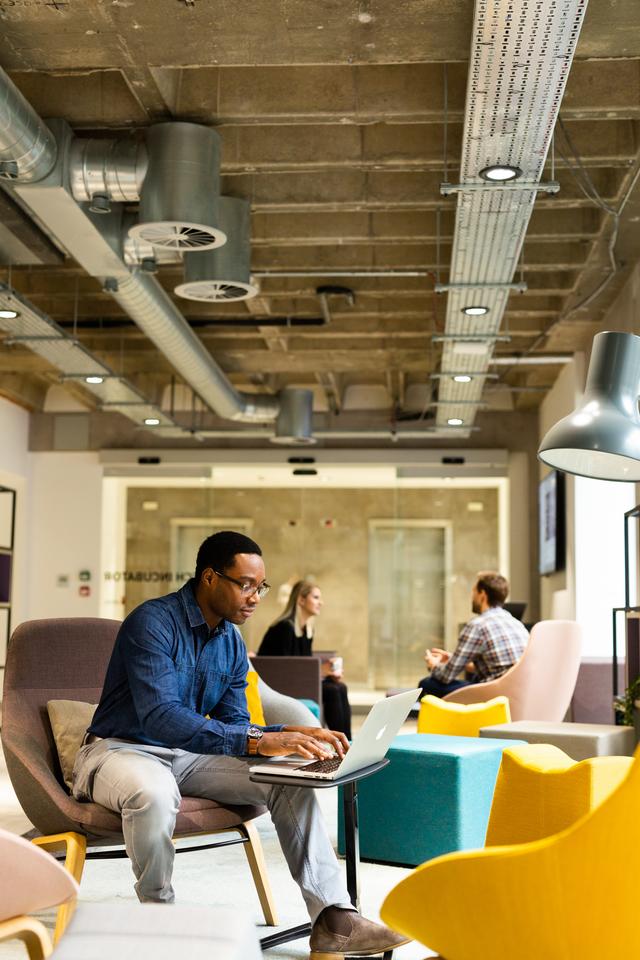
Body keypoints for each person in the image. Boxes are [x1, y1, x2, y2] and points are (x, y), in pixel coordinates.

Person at [72, 531, 406, 959]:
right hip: (122, 749)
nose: (255, 597)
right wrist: (259, 739)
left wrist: (293, 734)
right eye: (246, 584)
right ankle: (158, 917)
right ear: (210, 578)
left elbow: (234, 724)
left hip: (189, 757)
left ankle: (333, 921)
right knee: (152, 792)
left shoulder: (230, 641)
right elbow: (162, 716)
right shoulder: (152, 623)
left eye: (260, 587)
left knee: (290, 777)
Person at [258, 580, 352, 738]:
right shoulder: (284, 628)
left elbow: (301, 666)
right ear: (301, 600)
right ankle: (341, 742)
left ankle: (347, 740)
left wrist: (326, 673)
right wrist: (320, 671)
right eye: (316, 597)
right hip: (276, 686)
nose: (321, 603)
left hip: (296, 683)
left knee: (339, 686)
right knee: (332, 691)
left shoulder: (306, 630)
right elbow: (284, 670)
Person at [417, 571, 528, 699]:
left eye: (474, 591)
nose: (472, 597)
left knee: (426, 684)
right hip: (517, 693)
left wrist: (434, 665)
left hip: (493, 695)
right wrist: (452, 659)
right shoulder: (516, 623)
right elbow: (497, 668)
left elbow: (445, 676)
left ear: (482, 594)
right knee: (475, 677)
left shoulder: (477, 625)